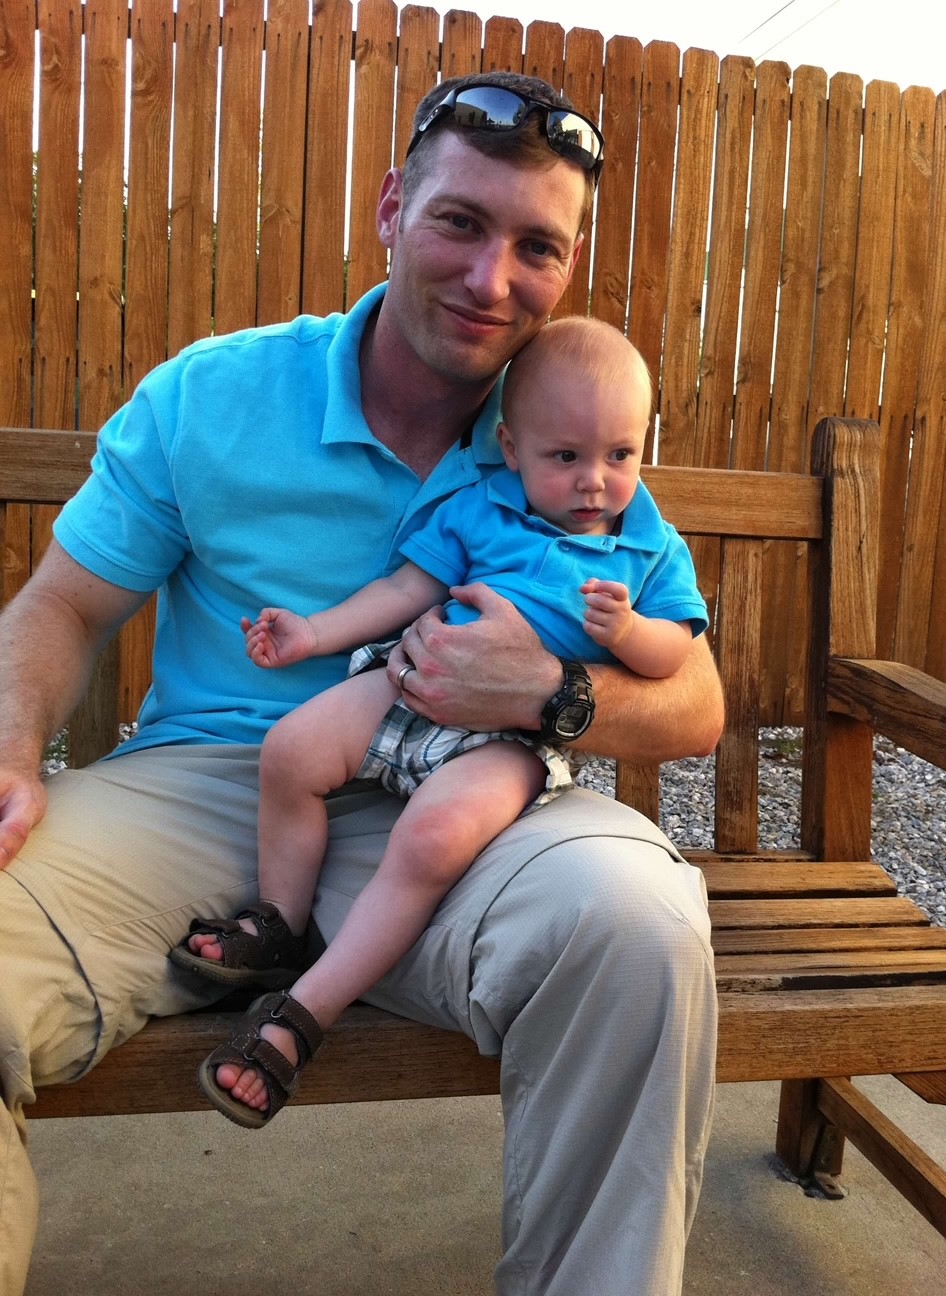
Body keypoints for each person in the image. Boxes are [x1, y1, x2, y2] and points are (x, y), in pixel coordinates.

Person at [0, 70, 723, 1296]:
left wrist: (545, 690)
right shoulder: (215, 394)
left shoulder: (567, 441)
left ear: (567, 265)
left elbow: (695, 703)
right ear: (392, 208)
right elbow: (62, 604)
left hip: (470, 799)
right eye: (459, 222)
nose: (492, 278)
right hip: (212, 785)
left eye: (534, 245)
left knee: (640, 928)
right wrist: (14, 748)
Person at [169, 317, 710, 1126]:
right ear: (511, 444)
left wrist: (629, 634)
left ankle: (299, 1016)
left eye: (620, 455)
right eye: (565, 456)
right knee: (291, 751)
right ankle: (279, 923)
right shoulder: (479, 508)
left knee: (430, 840)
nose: (595, 481)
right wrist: (313, 634)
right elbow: (403, 594)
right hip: (409, 683)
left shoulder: (651, 551)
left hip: (511, 741)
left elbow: (677, 653)